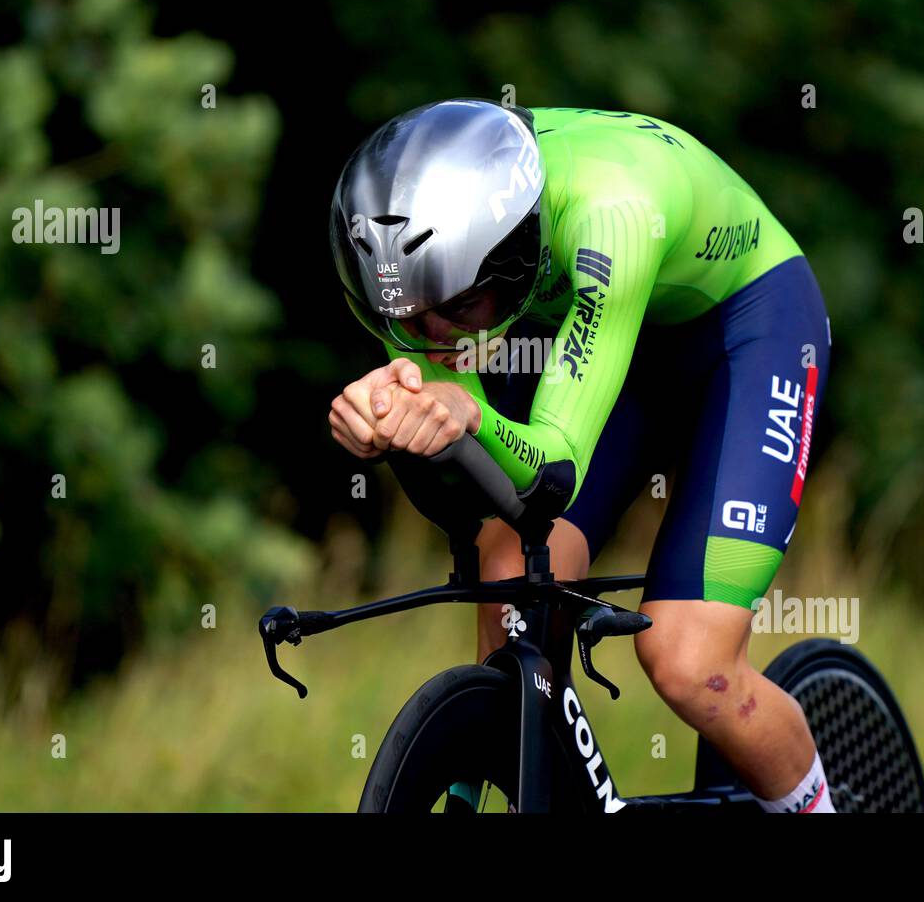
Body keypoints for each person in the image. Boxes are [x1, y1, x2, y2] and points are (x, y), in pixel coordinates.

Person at [328, 99, 835, 813]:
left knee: (689, 662)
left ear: (508, 249)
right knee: (510, 586)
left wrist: (467, 413)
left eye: (455, 308)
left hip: (743, 325)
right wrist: (386, 425)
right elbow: (467, 495)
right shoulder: (418, 272)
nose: (433, 337)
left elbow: (550, 471)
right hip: (606, 336)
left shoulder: (610, 212)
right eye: (408, 317)